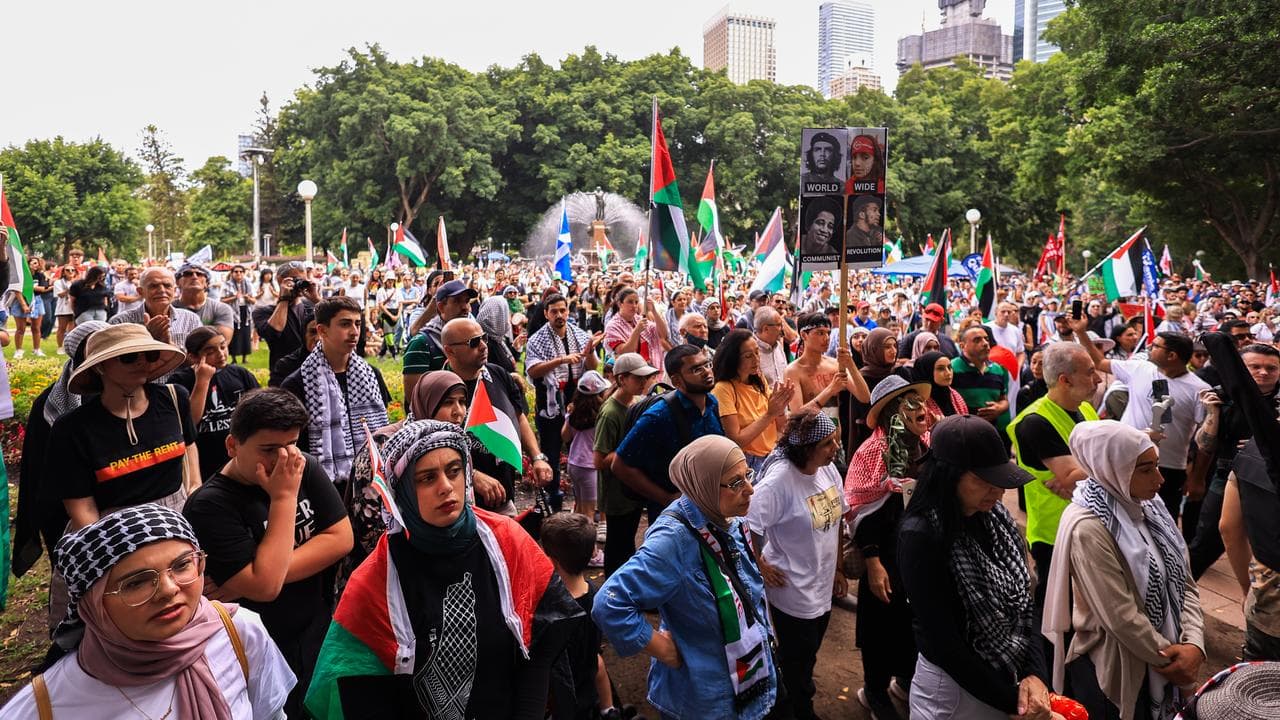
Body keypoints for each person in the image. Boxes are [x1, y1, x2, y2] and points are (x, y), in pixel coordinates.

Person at [304, 421, 584, 719]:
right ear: (402, 491)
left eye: (454, 471)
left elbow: (539, 647)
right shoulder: (374, 581)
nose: (446, 487)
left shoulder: (508, 542)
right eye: (427, 478)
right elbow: (360, 690)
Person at [0, 505, 294, 718]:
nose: (168, 589)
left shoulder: (238, 633)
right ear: (93, 605)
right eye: (136, 582)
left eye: (182, 565)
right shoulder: (47, 705)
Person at [183, 388, 354, 716]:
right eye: (269, 449)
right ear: (232, 446)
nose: (284, 458)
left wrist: (260, 574)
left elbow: (341, 537)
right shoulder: (209, 505)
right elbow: (265, 588)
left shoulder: (303, 466)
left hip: (314, 629)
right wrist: (284, 498)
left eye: (292, 444)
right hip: (259, 648)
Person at [594, 435, 779, 720]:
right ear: (704, 484)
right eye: (735, 482)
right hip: (704, 699)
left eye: (748, 475)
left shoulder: (727, 515)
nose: (750, 489)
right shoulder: (674, 540)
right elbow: (610, 603)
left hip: (746, 681)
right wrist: (662, 649)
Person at [1042, 421, 1205, 720]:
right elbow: (1120, 616)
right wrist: (1174, 660)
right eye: (1145, 470)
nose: (1159, 479)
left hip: (1169, 657)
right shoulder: (1088, 528)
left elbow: (1184, 582)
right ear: (1112, 469)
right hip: (1119, 671)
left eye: (1156, 466)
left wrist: (1194, 644)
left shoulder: (1151, 507)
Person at [897, 415, 1053, 719]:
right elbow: (944, 642)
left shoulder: (996, 519)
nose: (997, 492)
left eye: (1000, 480)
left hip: (1004, 678)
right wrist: (1013, 702)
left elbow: (1025, 604)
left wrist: (1035, 674)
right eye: (983, 481)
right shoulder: (921, 536)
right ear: (947, 477)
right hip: (953, 693)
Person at [51, 323, 199, 533]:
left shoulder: (174, 398)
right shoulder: (72, 428)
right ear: (100, 366)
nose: (141, 361)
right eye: (128, 357)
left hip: (179, 520)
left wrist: (194, 488)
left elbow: (190, 445)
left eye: (149, 355)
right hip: (111, 531)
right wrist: (105, 544)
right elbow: (82, 507)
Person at [1007, 341, 1100, 666]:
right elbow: (1073, 475)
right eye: (1090, 372)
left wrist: (1086, 471)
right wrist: (1106, 464)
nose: (1098, 379)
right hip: (1054, 535)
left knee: (1081, 612)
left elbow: (1082, 472)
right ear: (1065, 379)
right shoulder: (1035, 422)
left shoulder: (1085, 409)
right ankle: (1043, 674)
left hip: (1087, 527)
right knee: (1053, 617)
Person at [750, 411, 847, 720]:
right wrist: (760, 564)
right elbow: (748, 525)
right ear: (806, 448)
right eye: (827, 443)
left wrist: (839, 568)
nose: (835, 448)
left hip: (822, 583)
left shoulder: (828, 470)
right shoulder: (779, 482)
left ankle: (787, 696)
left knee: (806, 653)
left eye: (835, 441)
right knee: (798, 660)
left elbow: (838, 518)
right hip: (792, 589)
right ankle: (796, 710)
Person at [845, 376, 932, 720]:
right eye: (910, 403)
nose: (921, 407)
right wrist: (872, 560)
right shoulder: (872, 451)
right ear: (893, 413)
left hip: (916, 555)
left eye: (920, 401)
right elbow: (858, 510)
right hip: (883, 557)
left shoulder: (925, 443)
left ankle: (905, 680)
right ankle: (874, 691)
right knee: (880, 627)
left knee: (912, 623)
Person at [1069, 316, 1209, 525]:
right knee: (1121, 519)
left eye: (1156, 346)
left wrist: (1197, 478)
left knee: (1162, 524)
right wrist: (1081, 332)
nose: (1149, 347)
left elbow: (1206, 441)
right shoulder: (1139, 368)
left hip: (1168, 468)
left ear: (1172, 355)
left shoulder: (1200, 390)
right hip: (1125, 460)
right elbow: (1099, 362)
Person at [1188, 343, 1280, 578]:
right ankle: (1177, 591)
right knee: (1211, 537)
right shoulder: (1223, 396)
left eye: (1271, 368)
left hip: (1270, 481)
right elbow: (1205, 445)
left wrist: (1262, 444)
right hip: (1228, 474)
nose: (1263, 372)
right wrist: (1213, 413)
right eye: (1255, 367)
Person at [442, 317, 554, 501]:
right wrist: (472, 474)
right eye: (474, 342)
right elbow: (435, 445)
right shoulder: (438, 388)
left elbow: (518, 417)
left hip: (504, 494)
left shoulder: (498, 374)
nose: (483, 346)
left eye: (484, 338)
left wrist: (537, 457)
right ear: (450, 350)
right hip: (462, 502)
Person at [282, 297, 391, 482]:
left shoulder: (371, 375)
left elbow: (383, 427)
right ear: (322, 330)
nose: (354, 332)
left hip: (373, 478)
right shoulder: (298, 383)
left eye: (357, 324)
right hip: (320, 481)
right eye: (345, 324)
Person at [612, 345, 725, 521]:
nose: (706, 372)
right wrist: (666, 498)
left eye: (707, 364)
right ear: (676, 381)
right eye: (696, 369)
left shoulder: (712, 402)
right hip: (674, 519)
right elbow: (619, 465)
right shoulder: (660, 415)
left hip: (710, 506)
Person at [526, 292, 604, 511]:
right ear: (546, 314)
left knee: (580, 452)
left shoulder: (579, 334)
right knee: (550, 451)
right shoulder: (537, 339)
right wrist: (561, 360)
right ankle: (554, 500)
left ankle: (582, 502)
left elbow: (592, 366)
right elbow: (532, 370)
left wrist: (589, 351)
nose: (559, 315)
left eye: (562, 310)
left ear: (568, 312)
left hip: (577, 404)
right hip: (549, 404)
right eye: (554, 311)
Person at [540, 512, 618, 720]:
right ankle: (609, 710)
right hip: (590, 688)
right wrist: (607, 707)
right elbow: (597, 662)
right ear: (593, 552)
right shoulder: (597, 596)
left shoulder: (548, 608)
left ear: (552, 561)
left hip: (560, 699)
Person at [594, 353, 659, 575]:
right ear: (621, 379)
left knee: (628, 542)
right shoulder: (610, 413)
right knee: (617, 546)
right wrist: (629, 448)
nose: (644, 382)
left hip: (633, 489)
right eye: (638, 378)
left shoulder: (637, 403)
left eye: (646, 377)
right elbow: (599, 460)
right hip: (616, 495)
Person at [168, 326, 261, 481]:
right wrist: (202, 381)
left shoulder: (240, 374)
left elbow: (260, 411)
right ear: (193, 357)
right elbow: (189, 422)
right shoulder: (180, 381)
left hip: (238, 458)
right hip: (204, 462)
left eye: (223, 347)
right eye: (210, 351)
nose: (221, 354)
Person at [712, 328, 794, 471]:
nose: (756, 359)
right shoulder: (723, 389)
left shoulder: (758, 380)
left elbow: (780, 426)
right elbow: (736, 441)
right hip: (749, 462)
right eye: (748, 356)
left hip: (772, 454)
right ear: (733, 359)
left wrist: (780, 408)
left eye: (757, 352)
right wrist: (770, 414)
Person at [109, 267, 203, 377]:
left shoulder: (191, 320)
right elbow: (113, 369)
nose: (162, 290)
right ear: (140, 292)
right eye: (153, 286)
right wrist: (147, 340)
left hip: (182, 386)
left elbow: (201, 363)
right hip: (138, 387)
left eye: (167, 285)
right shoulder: (120, 323)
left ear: (174, 290)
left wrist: (170, 346)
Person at [401, 278, 476, 399]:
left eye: (467, 301)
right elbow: (414, 399)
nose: (465, 307)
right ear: (441, 307)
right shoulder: (421, 344)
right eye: (457, 301)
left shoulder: (473, 341)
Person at [253, 262, 320, 381]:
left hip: (315, 372)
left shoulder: (312, 307)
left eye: (303, 280)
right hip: (284, 374)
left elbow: (336, 324)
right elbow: (273, 332)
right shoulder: (263, 312)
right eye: (295, 279)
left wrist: (317, 299)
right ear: (280, 280)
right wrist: (284, 298)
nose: (299, 283)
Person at [562, 370, 610, 528]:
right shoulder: (601, 415)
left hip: (574, 464)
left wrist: (568, 416)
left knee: (580, 507)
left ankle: (574, 538)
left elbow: (565, 437)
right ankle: (587, 542)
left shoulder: (573, 413)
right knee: (589, 512)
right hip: (590, 466)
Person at [952, 325, 1013, 444]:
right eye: (977, 340)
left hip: (992, 435)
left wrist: (999, 408)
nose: (985, 343)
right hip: (963, 438)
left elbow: (1004, 400)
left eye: (986, 339)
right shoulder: (951, 369)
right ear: (962, 346)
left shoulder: (998, 369)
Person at [603, 287, 669, 372]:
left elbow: (663, 334)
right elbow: (624, 352)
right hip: (628, 372)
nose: (634, 305)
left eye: (636, 302)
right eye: (630, 302)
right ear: (620, 304)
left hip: (648, 369)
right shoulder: (612, 326)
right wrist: (637, 331)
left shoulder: (639, 319)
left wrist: (654, 311)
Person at [174, 263, 235, 342]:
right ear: (177, 282)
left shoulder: (221, 309)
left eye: (199, 274)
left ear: (207, 283)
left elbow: (221, 343)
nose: (194, 277)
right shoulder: (170, 309)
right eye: (187, 274)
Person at [913, 350, 969, 426]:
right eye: (941, 369)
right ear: (928, 371)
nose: (948, 373)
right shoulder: (919, 402)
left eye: (949, 367)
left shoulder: (954, 395)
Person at [476, 294, 519, 373]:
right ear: (497, 317)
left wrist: (515, 348)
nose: (508, 319)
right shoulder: (486, 345)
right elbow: (504, 368)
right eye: (506, 313)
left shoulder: (496, 338)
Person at [221, 264, 254, 364]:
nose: (238, 273)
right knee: (234, 334)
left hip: (245, 312)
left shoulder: (248, 284)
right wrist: (234, 297)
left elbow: (254, 300)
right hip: (232, 312)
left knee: (245, 334)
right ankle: (233, 358)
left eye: (241, 272)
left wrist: (248, 298)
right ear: (232, 273)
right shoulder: (227, 285)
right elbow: (222, 300)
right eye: (236, 272)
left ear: (244, 273)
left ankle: (245, 358)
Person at [754, 307, 789, 387]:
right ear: (766, 329)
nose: (782, 329)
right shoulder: (750, 350)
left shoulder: (778, 346)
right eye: (779, 325)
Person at [53, 264, 78, 347]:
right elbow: (60, 295)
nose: (70, 272)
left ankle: (70, 346)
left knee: (73, 329)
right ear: (63, 272)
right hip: (63, 308)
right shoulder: (58, 282)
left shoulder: (77, 282)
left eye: (72, 270)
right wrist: (71, 288)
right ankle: (60, 347)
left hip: (74, 307)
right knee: (62, 328)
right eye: (68, 270)